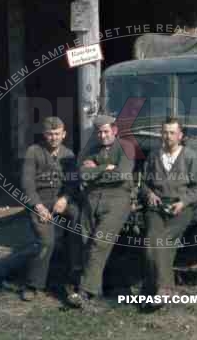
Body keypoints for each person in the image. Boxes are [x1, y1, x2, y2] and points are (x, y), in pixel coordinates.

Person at [70, 114, 136, 309]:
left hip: (117, 199)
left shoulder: (126, 146)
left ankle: (85, 291)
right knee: (85, 239)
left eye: (106, 131)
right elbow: (82, 173)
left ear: (114, 130)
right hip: (92, 200)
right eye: (99, 132)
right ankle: (95, 290)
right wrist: (105, 168)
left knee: (99, 241)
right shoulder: (91, 149)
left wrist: (95, 172)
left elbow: (122, 174)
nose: (102, 135)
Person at [140, 117, 197, 309]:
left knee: (164, 240)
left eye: (172, 133)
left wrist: (183, 202)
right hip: (156, 208)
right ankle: (164, 288)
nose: (168, 136)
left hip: (181, 208)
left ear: (180, 135)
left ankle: (160, 289)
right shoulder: (153, 156)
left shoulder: (190, 156)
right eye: (165, 132)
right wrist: (149, 193)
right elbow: (143, 183)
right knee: (151, 241)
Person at [20, 116, 82, 302]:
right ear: (44, 135)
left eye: (57, 134)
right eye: (50, 134)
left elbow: (72, 182)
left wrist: (65, 198)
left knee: (78, 225)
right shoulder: (34, 151)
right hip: (39, 201)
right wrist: (38, 206)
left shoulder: (69, 154)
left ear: (64, 134)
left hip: (61, 201)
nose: (53, 138)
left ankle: (74, 278)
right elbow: (27, 182)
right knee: (46, 242)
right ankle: (33, 284)